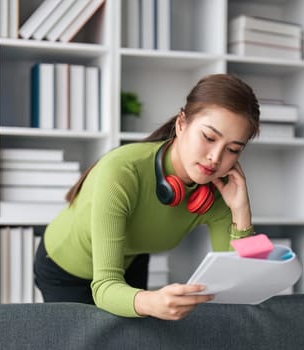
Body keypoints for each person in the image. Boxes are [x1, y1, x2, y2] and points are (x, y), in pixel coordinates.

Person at [34, 73, 261, 320]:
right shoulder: (122, 171)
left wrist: (242, 211)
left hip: (130, 259)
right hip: (65, 268)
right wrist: (151, 301)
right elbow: (104, 288)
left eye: (233, 149)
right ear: (182, 124)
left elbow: (237, 285)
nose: (215, 158)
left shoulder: (220, 191)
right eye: (208, 137)